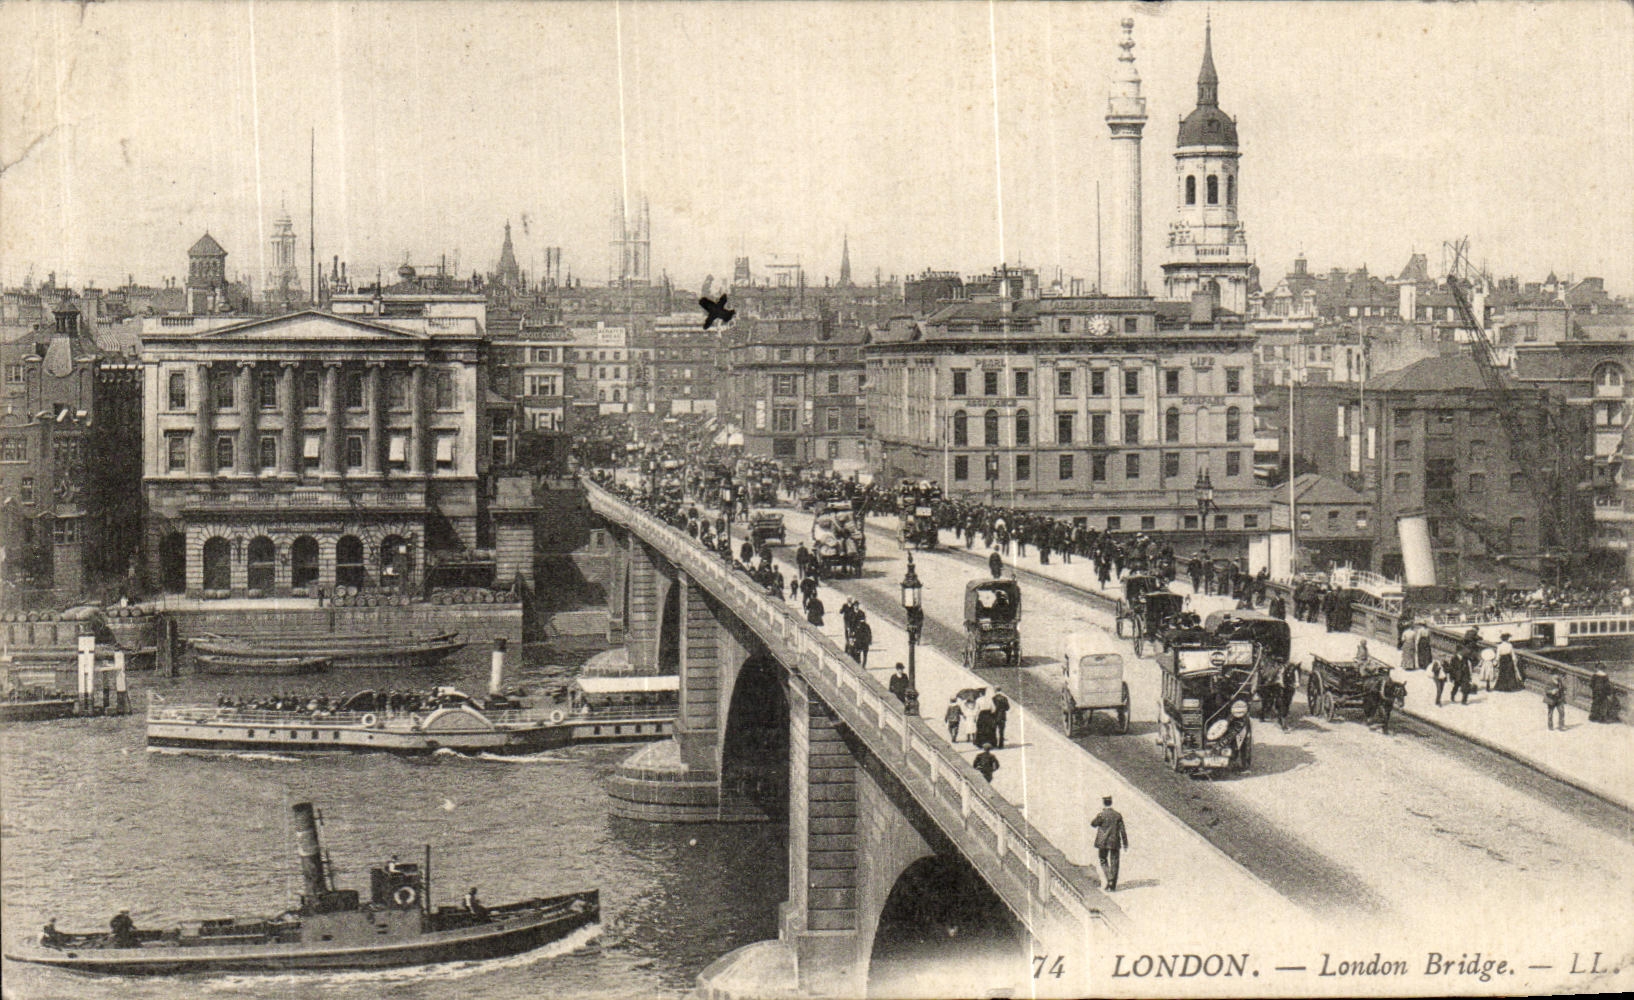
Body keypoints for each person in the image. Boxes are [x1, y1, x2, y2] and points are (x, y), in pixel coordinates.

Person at [1090, 796, 1128, 892]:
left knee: (1103, 860)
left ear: (1104, 803)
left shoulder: (1101, 815)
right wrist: (1125, 843)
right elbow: (1122, 830)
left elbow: (1093, 824)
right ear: (1111, 803)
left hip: (1103, 842)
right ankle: (1112, 885)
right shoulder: (1117, 815)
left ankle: (1109, 879)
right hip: (1115, 842)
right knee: (1115, 862)